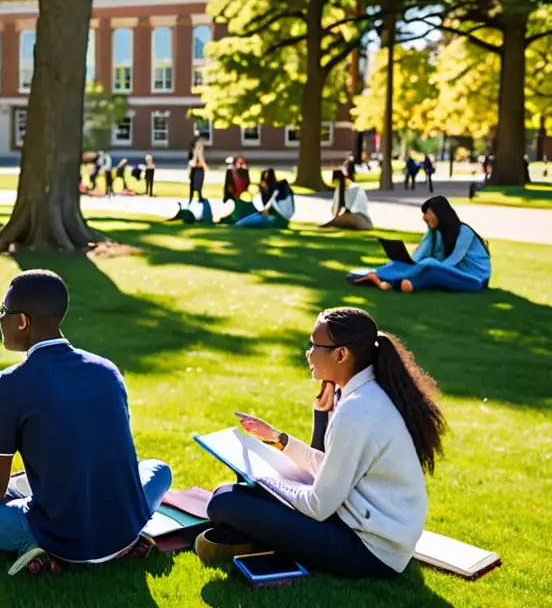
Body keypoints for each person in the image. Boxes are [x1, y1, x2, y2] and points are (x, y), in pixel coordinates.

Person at [0, 270, 172, 574]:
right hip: (122, 529)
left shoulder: (9, 384)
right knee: (159, 469)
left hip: (61, 537)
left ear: (23, 321)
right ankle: (122, 545)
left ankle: (36, 547)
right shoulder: (107, 370)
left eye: (3, 311)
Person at [198, 307, 445, 578]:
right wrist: (279, 439)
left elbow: (319, 506)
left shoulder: (357, 410)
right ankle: (251, 538)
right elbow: (333, 469)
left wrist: (270, 483)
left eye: (314, 345)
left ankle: (248, 540)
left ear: (341, 354)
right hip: (365, 529)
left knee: (225, 502)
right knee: (233, 495)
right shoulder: (365, 394)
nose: (308, 353)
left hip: (368, 550)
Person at [352, 196, 491, 293]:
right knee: (423, 265)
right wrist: (404, 263)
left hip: (475, 280)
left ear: (439, 213)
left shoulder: (464, 232)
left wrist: (422, 265)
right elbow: (419, 257)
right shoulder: (434, 232)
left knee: (432, 270)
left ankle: (394, 282)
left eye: (426, 213)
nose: (423, 217)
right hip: (449, 272)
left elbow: (452, 262)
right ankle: (381, 276)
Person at [188, 138, 207, 204]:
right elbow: (195, 161)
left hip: (196, 170)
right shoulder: (196, 151)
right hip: (197, 170)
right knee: (195, 184)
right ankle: (193, 198)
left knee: (197, 184)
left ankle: (198, 197)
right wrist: (205, 167)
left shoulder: (195, 151)